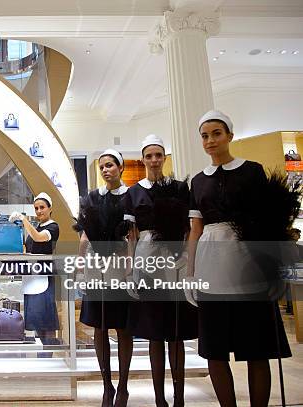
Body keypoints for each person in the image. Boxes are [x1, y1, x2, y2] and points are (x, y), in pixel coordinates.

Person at [187, 110, 291, 406]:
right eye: (205, 136)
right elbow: (195, 229)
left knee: (257, 349)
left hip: (248, 264)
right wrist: (190, 273)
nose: (210, 140)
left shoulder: (252, 171)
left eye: (216, 133)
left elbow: (269, 221)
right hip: (211, 264)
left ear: (229, 136)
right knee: (215, 350)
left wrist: (275, 268)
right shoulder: (197, 181)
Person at [123, 134, 197, 407]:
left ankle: (179, 397)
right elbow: (130, 235)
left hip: (176, 260)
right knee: (154, 331)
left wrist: (188, 261)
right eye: (149, 156)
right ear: (142, 159)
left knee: (176, 332)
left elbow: (190, 227)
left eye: (158, 155)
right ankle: (159, 398)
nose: (154, 160)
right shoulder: (133, 193)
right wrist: (130, 270)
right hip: (147, 261)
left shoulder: (179, 188)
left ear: (164, 158)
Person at [76, 149, 132, 407]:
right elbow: (84, 236)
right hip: (95, 268)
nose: (106, 170)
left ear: (120, 168)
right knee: (99, 327)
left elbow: (133, 235)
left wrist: (132, 269)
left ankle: (123, 387)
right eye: (102, 167)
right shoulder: (92, 198)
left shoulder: (130, 196)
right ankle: (106, 385)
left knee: (123, 327)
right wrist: (79, 267)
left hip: (120, 267)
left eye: (110, 165)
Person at [10, 193, 59, 350]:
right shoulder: (36, 226)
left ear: (50, 209)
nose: (39, 211)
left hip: (44, 277)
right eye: (36, 208)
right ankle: (42, 352)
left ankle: (49, 352)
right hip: (32, 277)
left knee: (47, 319)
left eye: (42, 207)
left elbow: (38, 238)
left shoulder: (53, 226)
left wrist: (24, 220)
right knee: (37, 319)